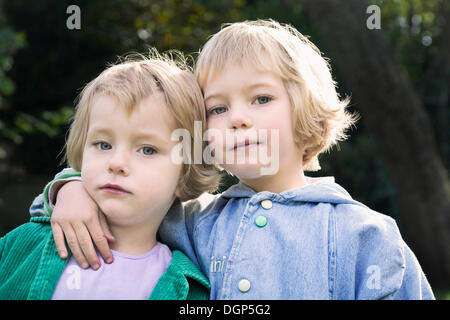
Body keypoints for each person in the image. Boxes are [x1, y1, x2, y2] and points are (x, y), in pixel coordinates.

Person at [29, 20, 434, 299]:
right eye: (218, 109)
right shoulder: (191, 221)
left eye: (261, 99)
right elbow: (119, 202)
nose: (237, 118)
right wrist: (71, 188)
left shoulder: (366, 234)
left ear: (307, 112)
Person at [0, 51, 218, 300]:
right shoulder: (23, 245)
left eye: (147, 150)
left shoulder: (190, 289)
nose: (116, 163)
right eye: (103, 145)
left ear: (184, 175)